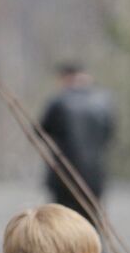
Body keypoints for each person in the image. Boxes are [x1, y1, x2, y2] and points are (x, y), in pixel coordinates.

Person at [40, 62, 115, 220]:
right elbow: (110, 134)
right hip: (95, 174)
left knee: (64, 223)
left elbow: (40, 132)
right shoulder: (104, 101)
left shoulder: (59, 102)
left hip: (64, 175)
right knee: (91, 220)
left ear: (65, 78)